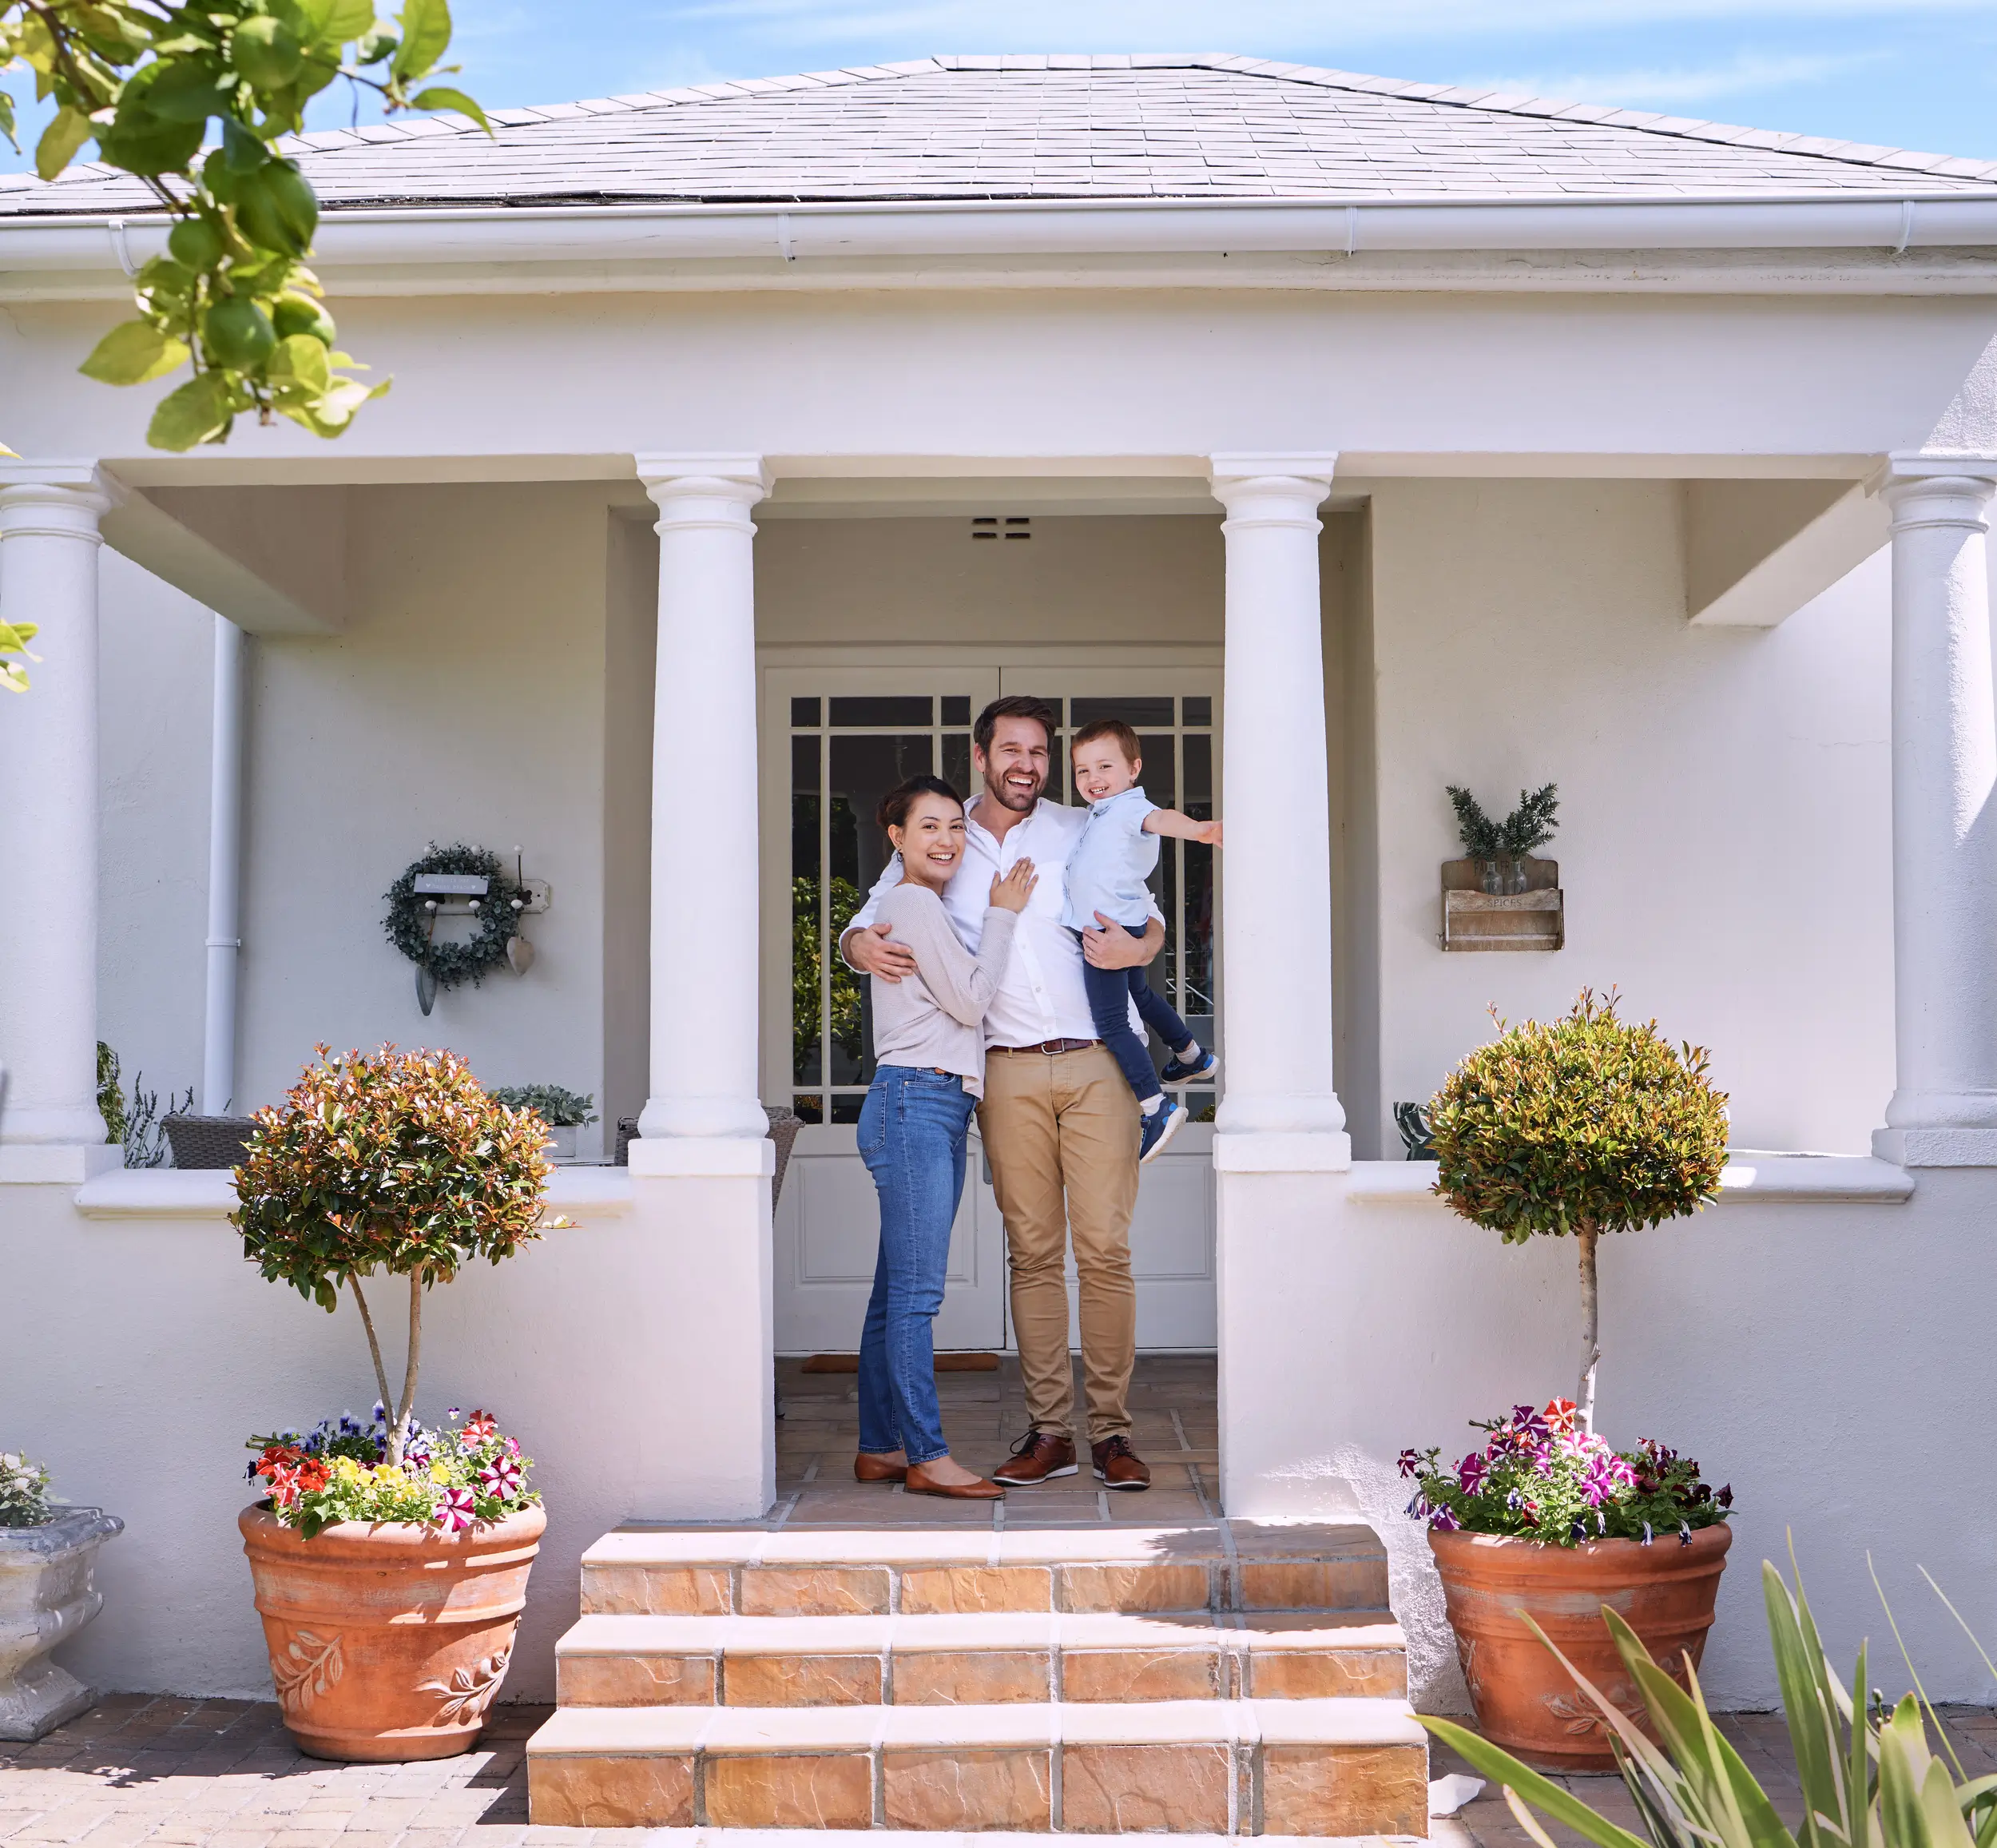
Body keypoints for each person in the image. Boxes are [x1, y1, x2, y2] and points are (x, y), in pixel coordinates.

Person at [843, 697, 1165, 1492]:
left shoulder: (1078, 827)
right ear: (980, 756)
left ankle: (1113, 1433)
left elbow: (1147, 920)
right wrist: (856, 946)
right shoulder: (940, 840)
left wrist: (1140, 943)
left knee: (1105, 1252)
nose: (1026, 763)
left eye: (1039, 751)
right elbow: (869, 921)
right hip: (1005, 1068)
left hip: (1094, 1059)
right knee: (1032, 1255)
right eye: (1011, 749)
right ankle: (1050, 1430)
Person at [853, 774, 1038, 1502]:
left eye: (957, 826)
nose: (947, 839)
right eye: (929, 826)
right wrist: (1002, 915)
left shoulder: (910, 906)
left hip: (922, 1103)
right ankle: (927, 1454)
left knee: (891, 1294)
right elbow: (969, 999)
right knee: (917, 1297)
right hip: (916, 1101)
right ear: (896, 838)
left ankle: (880, 1447)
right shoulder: (910, 901)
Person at [1066, 717, 1223, 1162]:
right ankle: (1192, 1055)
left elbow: (1160, 819)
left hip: (1108, 930)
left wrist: (1198, 830)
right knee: (1140, 992)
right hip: (1121, 922)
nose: (1093, 779)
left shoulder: (1131, 807)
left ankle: (1155, 1107)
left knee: (1111, 1023)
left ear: (1133, 769)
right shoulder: (1101, 814)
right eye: (1083, 770)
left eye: (1105, 767)